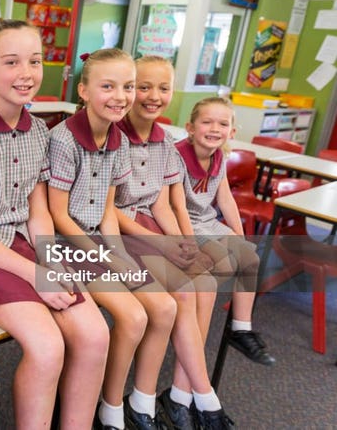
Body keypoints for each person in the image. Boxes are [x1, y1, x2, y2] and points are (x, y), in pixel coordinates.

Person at [0, 18, 109, 429]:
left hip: (25, 249)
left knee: (94, 335)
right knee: (48, 347)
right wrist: (36, 275)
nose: (26, 74)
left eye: (34, 62)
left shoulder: (39, 129)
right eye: (11, 62)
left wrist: (53, 263)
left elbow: (38, 214)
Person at [48, 48, 177, 430]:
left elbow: (107, 211)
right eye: (108, 86)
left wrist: (116, 252)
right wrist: (104, 257)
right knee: (133, 316)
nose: (120, 96)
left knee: (164, 307)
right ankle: (110, 412)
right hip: (63, 247)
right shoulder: (63, 140)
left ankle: (124, 403)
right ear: (84, 91)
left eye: (127, 87)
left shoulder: (118, 140)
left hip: (97, 245)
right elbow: (57, 215)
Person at [114, 56, 234, 430]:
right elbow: (110, 213)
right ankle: (203, 396)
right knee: (182, 293)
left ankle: (178, 394)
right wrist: (165, 244)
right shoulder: (114, 135)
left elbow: (165, 205)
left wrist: (182, 243)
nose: (153, 96)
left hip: (148, 227)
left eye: (163, 88)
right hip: (119, 235)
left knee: (204, 280)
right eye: (143, 87)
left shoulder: (164, 141)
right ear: (130, 89)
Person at [173, 96, 275, 372]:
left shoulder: (220, 155)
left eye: (222, 123)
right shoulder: (177, 156)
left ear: (231, 132)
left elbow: (226, 199)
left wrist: (239, 236)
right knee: (219, 263)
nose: (214, 128)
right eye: (206, 122)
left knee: (249, 257)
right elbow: (176, 206)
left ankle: (241, 329)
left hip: (207, 221)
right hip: (184, 224)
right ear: (190, 128)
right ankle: (187, 327)